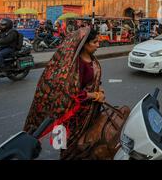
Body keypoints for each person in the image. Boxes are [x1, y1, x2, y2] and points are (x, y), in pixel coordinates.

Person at [24, 28, 106, 160]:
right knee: (70, 148)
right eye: (95, 42)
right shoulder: (75, 65)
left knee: (87, 143)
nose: (98, 45)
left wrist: (98, 88)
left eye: (98, 41)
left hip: (90, 111)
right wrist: (95, 95)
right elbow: (73, 93)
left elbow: (92, 81)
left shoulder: (91, 58)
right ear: (84, 43)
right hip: (74, 116)